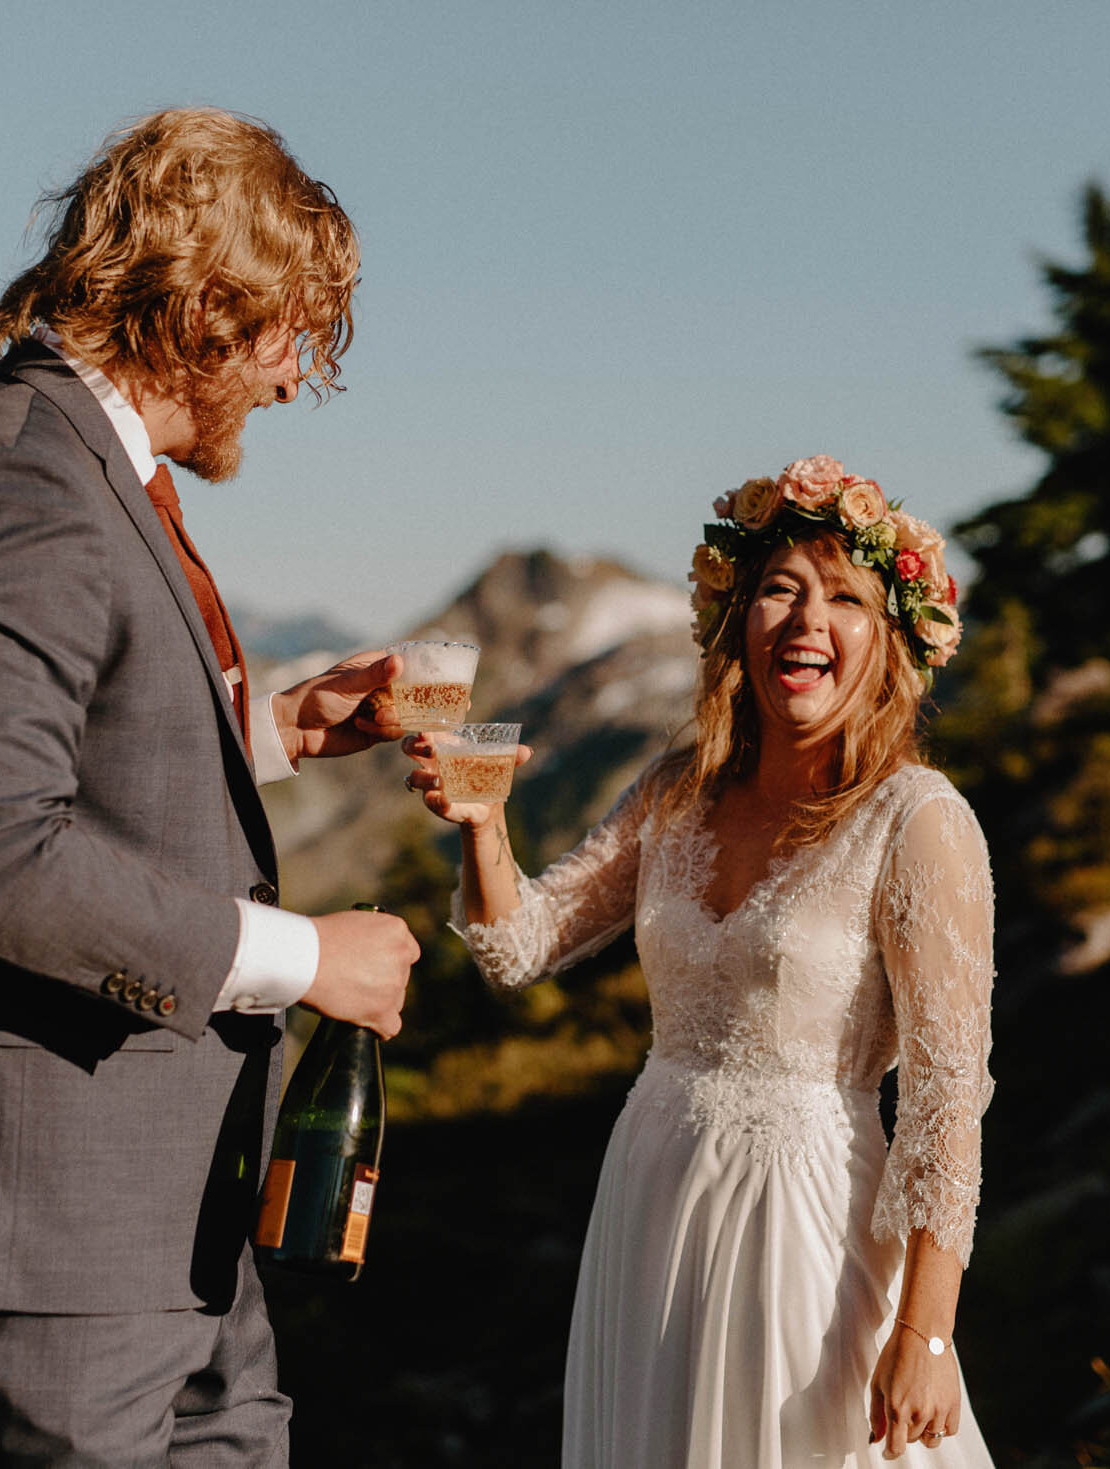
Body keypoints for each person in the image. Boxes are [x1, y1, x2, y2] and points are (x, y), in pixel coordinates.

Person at [0, 108, 419, 1467]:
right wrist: (304, 957)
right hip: (52, 1245)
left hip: (171, 1221)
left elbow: (80, 750)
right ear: (207, 311)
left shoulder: (83, 471)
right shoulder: (18, 472)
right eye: (289, 332)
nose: (293, 374)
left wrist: (280, 726)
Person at [405, 455, 996, 1467]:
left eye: (845, 598)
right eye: (778, 588)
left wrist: (924, 1330)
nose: (807, 619)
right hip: (651, 1187)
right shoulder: (678, 786)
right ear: (736, 621)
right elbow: (520, 943)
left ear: (888, 640)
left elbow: (946, 1099)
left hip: (807, 1212)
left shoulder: (920, 820)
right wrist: (480, 822)